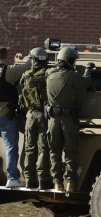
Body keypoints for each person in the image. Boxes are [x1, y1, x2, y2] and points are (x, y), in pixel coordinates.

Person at [45, 47, 94, 192]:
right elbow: (86, 83)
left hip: (52, 120)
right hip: (68, 120)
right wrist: (88, 69)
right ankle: (70, 184)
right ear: (69, 60)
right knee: (70, 152)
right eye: (73, 60)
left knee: (54, 152)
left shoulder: (49, 74)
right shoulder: (72, 75)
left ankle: (57, 184)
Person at [18, 47, 53, 190]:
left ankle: (29, 179)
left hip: (30, 116)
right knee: (43, 148)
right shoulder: (49, 74)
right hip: (44, 115)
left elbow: (20, 92)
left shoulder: (26, 75)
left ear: (33, 60)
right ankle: (43, 180)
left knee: (30, 148)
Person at [0, 45, 31, 188]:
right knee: (11, 147)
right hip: (6, 116)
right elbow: (28, 66)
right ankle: (12, 177)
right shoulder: (8, 71)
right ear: (4, 56)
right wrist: (31, 55)